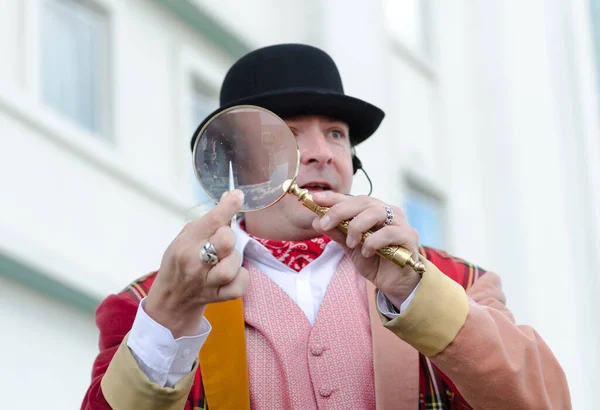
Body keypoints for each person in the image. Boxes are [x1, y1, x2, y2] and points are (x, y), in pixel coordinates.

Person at [81, 44, 571, 410]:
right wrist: (170, 314)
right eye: (288, 133)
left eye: (336, 133)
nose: (321, 151)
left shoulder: (457, 281)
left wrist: (415, 290)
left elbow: (545, 400)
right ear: (232, 163)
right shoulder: (150, 303)